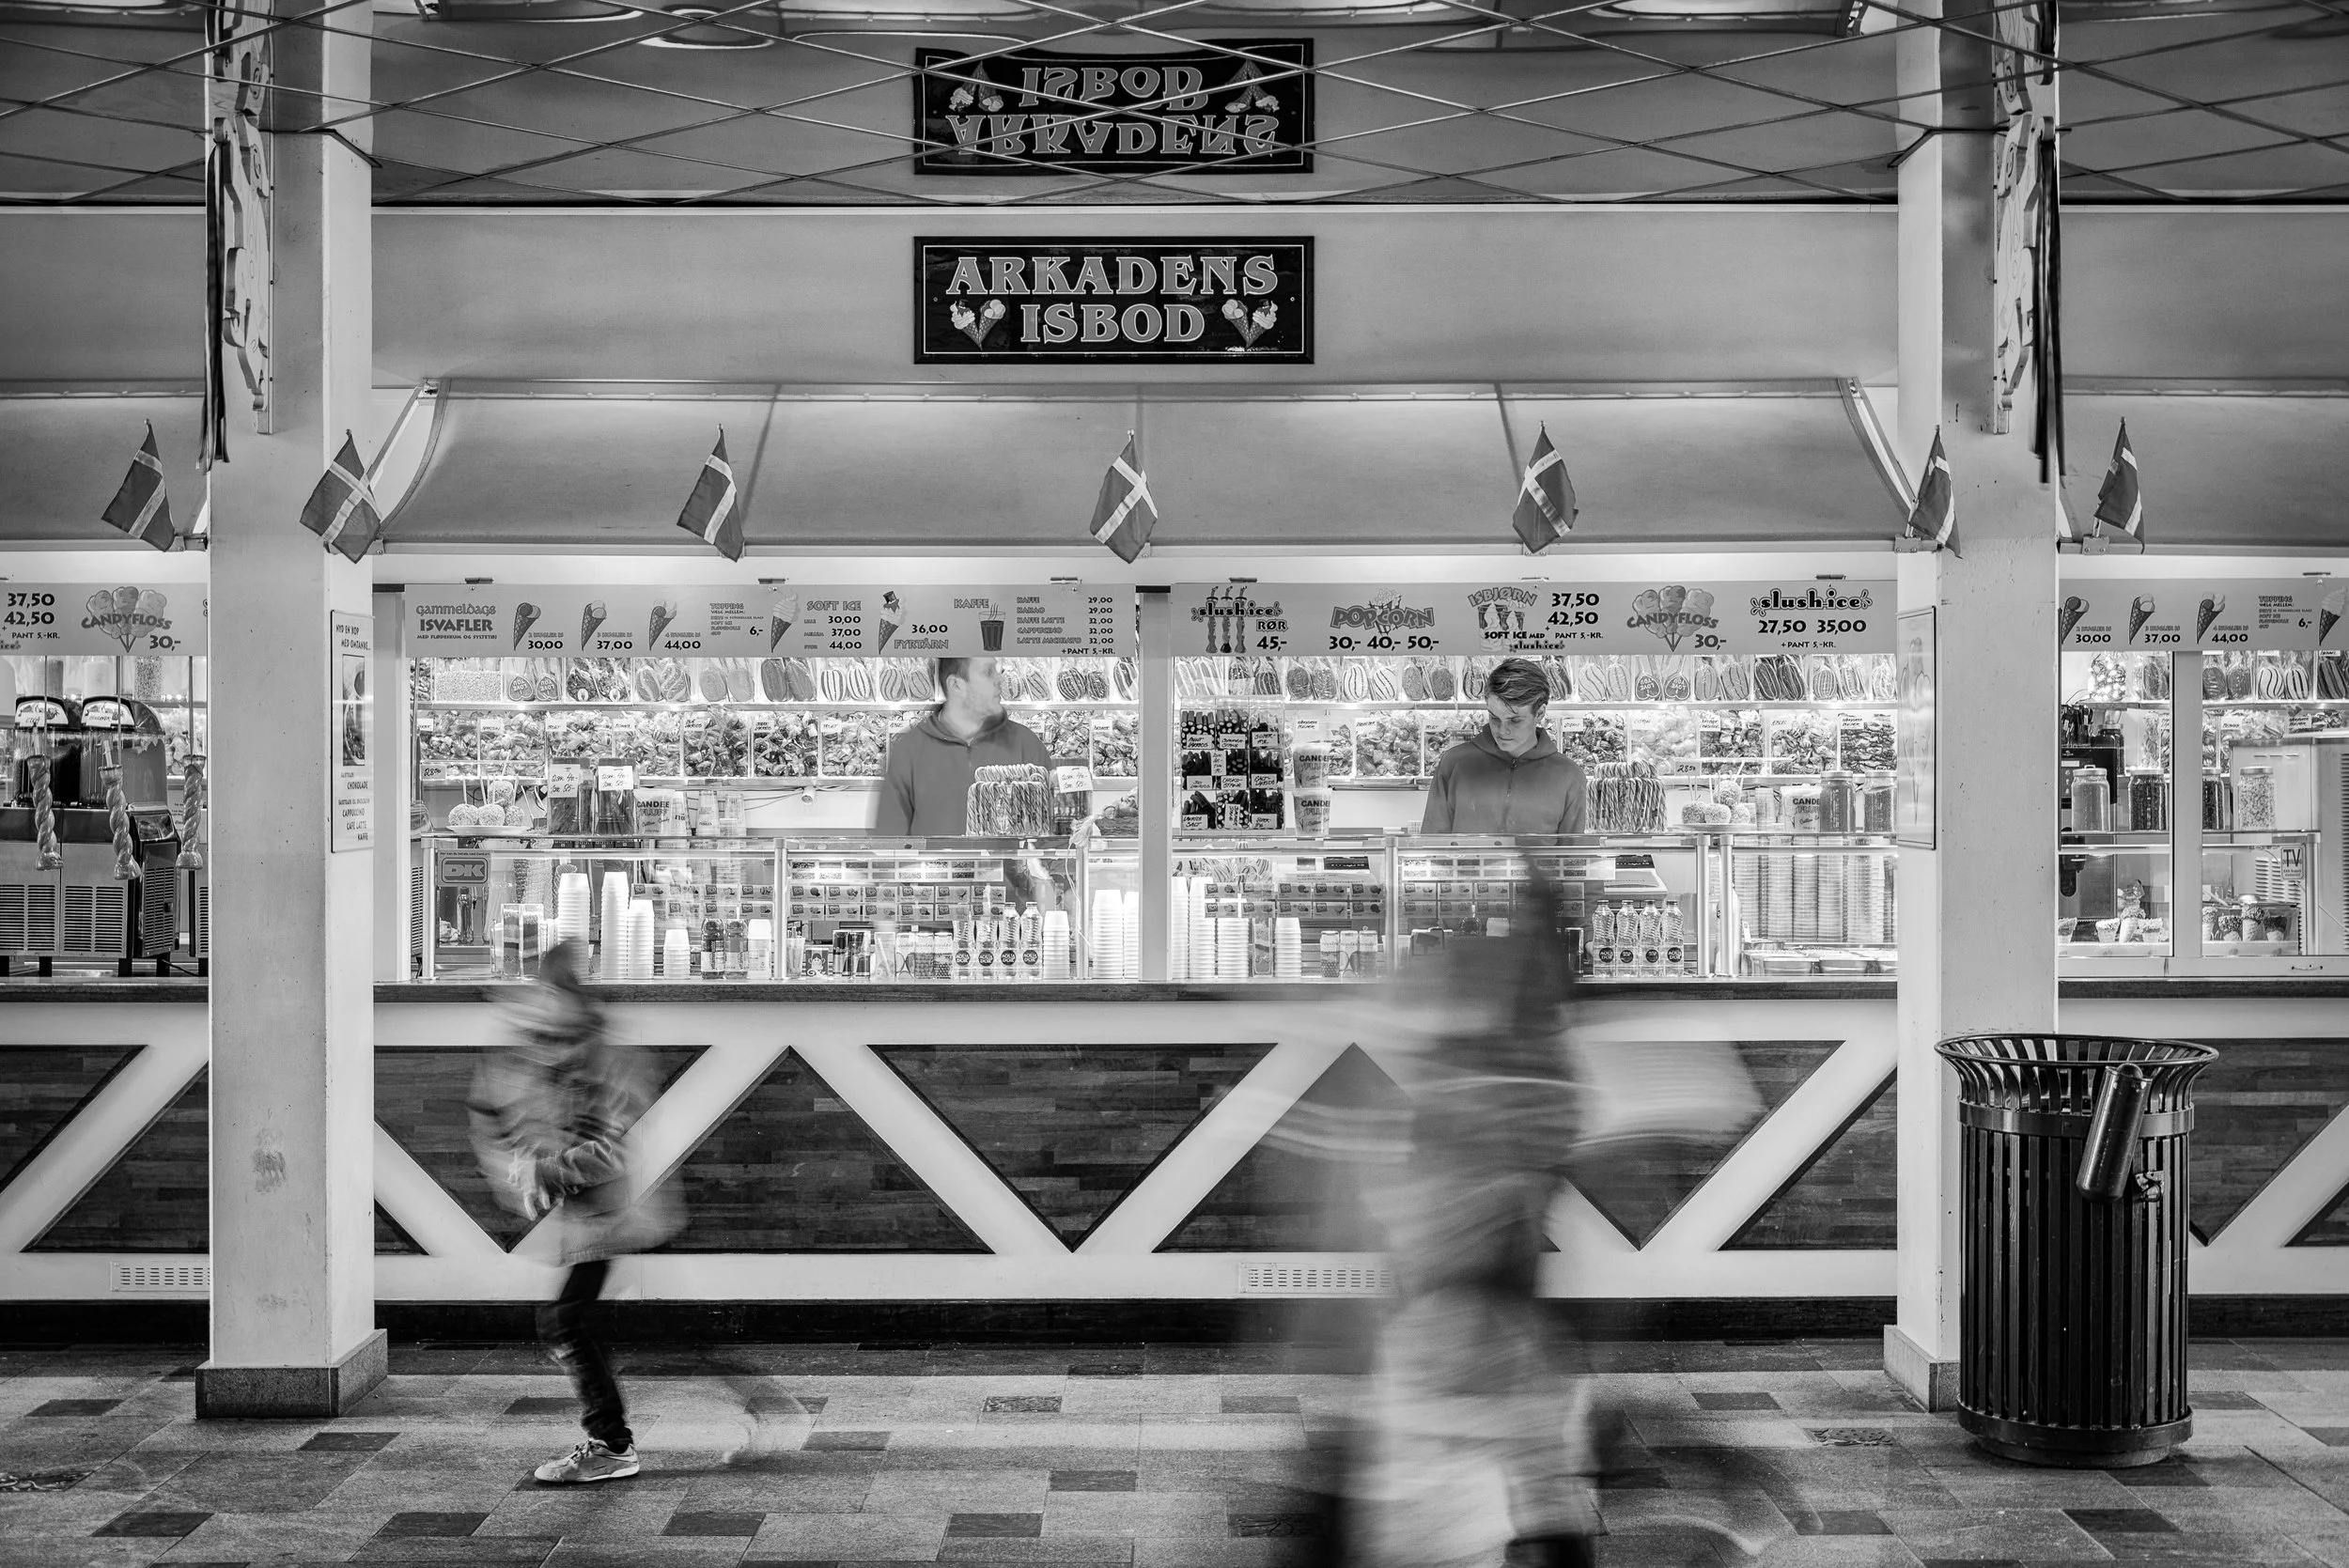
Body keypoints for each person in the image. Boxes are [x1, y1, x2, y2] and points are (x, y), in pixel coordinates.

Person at [469, 939, 677, 1485]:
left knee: (568, 1320)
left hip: (610, 1215)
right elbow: (512, 1111)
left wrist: (544, 1170)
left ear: (567, 993)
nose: (539, 1003)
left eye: (546, 992)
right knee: (577, 1321)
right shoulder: (570, 1049)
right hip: (595, 1217)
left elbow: (612, 1148)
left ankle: (612, 1444)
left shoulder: (604, 1057)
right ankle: (614, 1437)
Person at [875, 656, 1050, 835]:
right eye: (988, 672)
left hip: (1011, 864)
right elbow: (889, 840)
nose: (1000, 680)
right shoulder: (911, 749)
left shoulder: (1025, 743)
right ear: (956, 685)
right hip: (933, 863)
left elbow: (1052, 830)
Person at [1420, 658, 1588, 836]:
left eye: (1515, 720)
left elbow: (1573, 858)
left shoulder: (1569, 777)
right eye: (1494, 718)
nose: (1502, 730)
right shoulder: (1454, 764)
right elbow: (1432, 846)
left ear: (1539, 713)